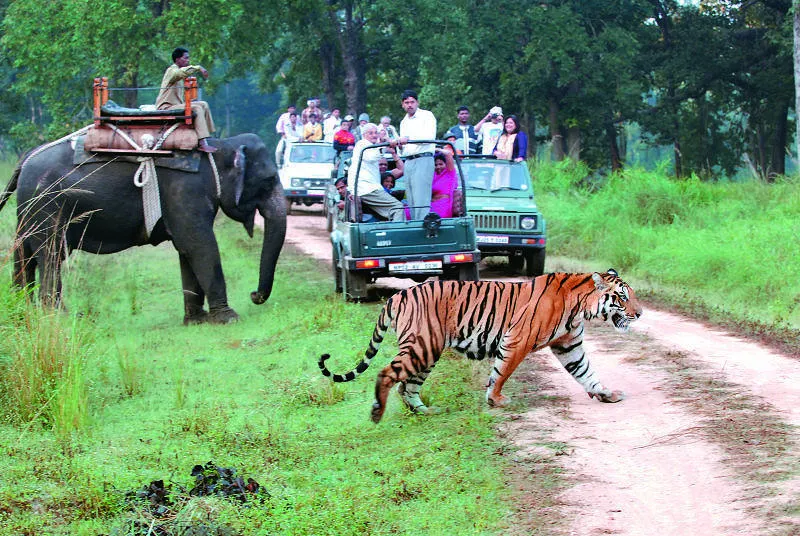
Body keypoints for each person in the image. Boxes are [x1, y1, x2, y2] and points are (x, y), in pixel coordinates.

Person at [156, 47, 217, 153]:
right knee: (196, 108)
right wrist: (198, 68)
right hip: (166, 106)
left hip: (176, 105)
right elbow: (180, 73)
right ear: (177, 59)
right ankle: (202, 143)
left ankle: (207, 135)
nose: (188, 60)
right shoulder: (172, 71)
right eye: (186, 58)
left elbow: (184, 75)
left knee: (203, 104)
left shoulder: (180, 74)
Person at [349, 123, 406, 222]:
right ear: (364, 135)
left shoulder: (371, 146)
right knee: (397, 207)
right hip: (367, 189)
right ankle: (398, 235)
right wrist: (384, 145)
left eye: (376, 133)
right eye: (370, 133)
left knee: (392, 210)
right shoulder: (363, 144)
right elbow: (372, 157)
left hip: (368, 188)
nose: (374, 135)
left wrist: (387, 145)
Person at [394, 89, 437, 219]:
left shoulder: (427, 115)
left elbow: (429, 137)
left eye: (412, 102)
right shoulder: (404, 122)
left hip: (423, 158)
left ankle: (422, 227)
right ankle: (414, 225)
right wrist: (400, 145)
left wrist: (408, 139)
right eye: (406, 102)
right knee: (411, 197)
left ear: (417, 102)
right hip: (409, 161)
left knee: (421, 197)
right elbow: (405, 147)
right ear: (402, 104)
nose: (409, 105)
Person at [430, 146, 458, 218]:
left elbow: (448, 153)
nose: (438, 167)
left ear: (446, 164)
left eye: (441, 164)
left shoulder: (449, 172)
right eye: (436, 165)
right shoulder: (433, 175)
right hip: (430, 204)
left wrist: (435, 149)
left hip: (443, 206)